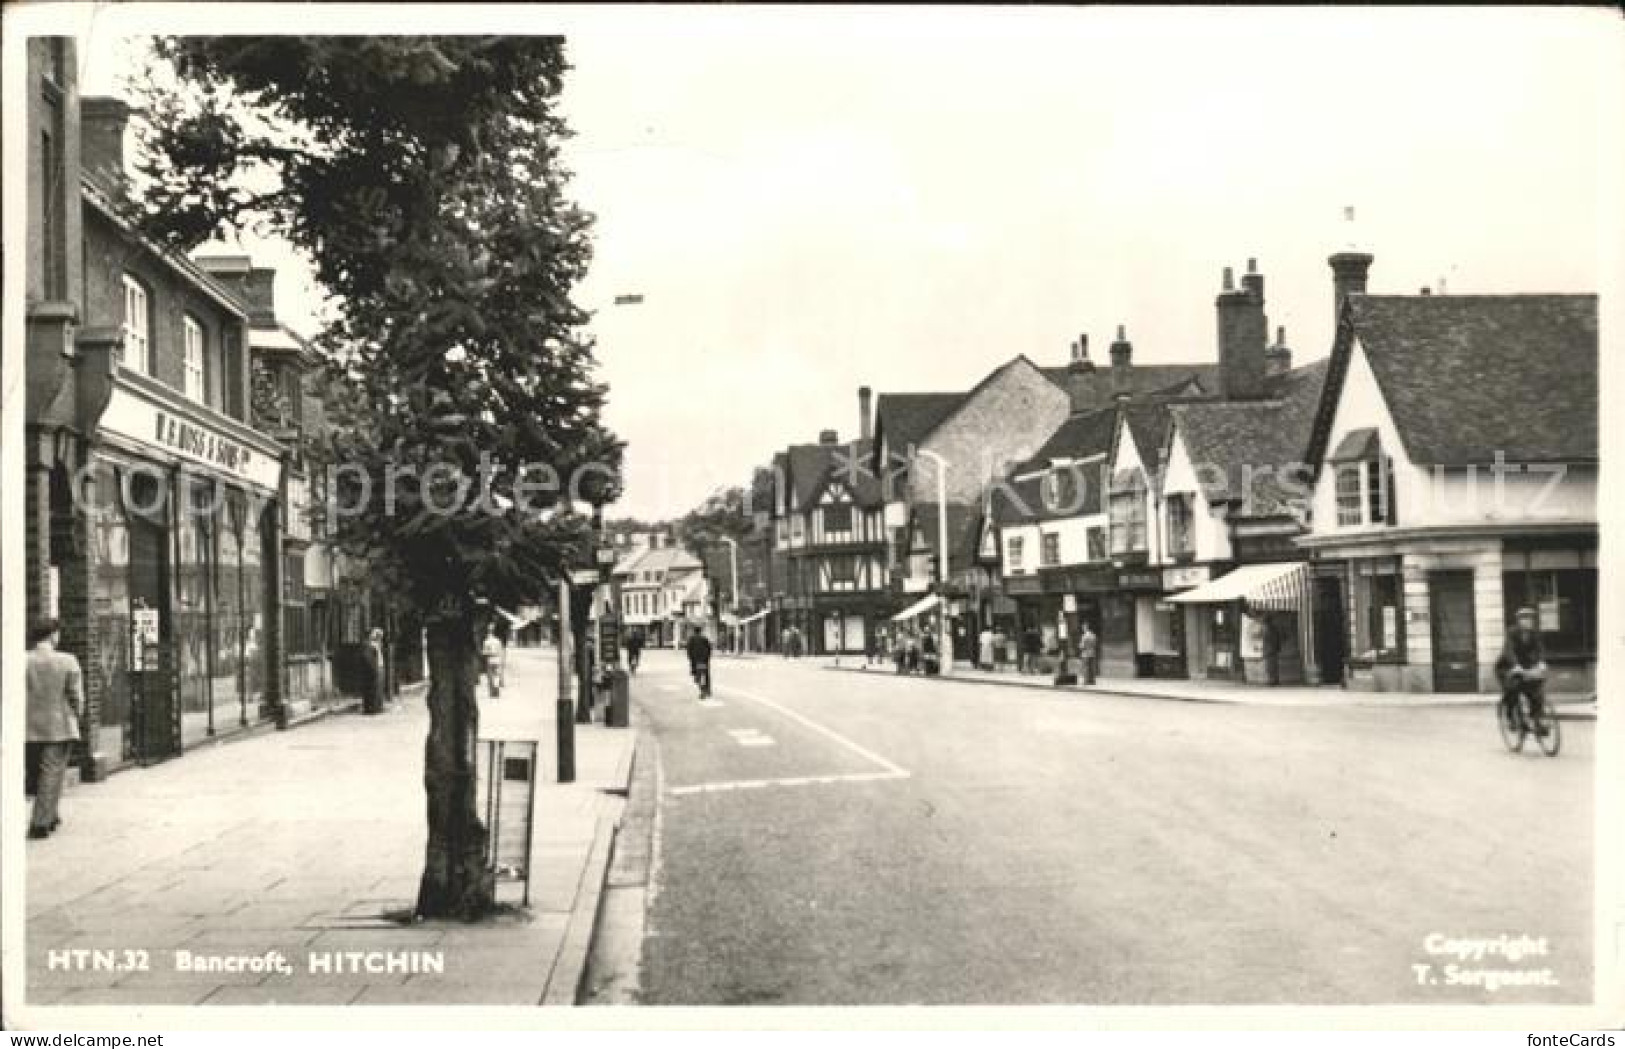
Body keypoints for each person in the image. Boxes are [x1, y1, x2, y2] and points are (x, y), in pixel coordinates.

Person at [26, 619, 84, 840]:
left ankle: (51, 814)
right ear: (52, 635)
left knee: (35, 772)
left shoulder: (21, 660)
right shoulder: (67, 660)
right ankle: (40, 823)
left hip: (26, 727)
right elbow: (76, 696)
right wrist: (77, 715)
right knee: (52, 772)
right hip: (58, 725)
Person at [1496, 607, 1548, 729]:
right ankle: (1511, 718)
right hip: (1506, 666)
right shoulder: (1512, 632)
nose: (1529, 621)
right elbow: (1509, 650)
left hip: (1526, 666)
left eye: (1531, 619)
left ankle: (1536, 719)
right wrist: (1516, 665)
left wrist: (1541, 662)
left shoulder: (1535, 633)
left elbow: (1540, 649)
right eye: (1525, 619)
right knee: (1512, 689)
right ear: (1519, 621)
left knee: (1537, 691)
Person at [363, 628, 387, 714]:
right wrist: (374, 668)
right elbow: (369, 659)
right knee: (373, 688)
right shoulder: (370, 646)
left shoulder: (377, 646)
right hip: (374, 670)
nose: (380, 639)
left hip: (379, 668)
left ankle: (377, 707)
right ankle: (372, 708)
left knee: (378, 688)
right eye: (379, 637)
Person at [686, 627, 713, 699]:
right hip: (704, 661)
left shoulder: (691, 639)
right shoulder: (704, 639)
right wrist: (707, 658)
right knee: (705, 675)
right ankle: (708, 690)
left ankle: (702, 690)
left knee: (698, 677)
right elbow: (709, 649)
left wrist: (691, 659)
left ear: (694, 631)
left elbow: (689, 651)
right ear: (700, 631)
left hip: (696, 661)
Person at [481, 626, 505, 698]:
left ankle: (492, 692)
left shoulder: (486, 641)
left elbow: (484, 652)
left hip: (490, 660)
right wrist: (501, 660)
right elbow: (501, 651)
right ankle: (497, 691)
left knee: (490, 676)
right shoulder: (498, 641)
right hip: (497, 660)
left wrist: (485, 653)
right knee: (496, 675)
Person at [1079, 621, 1099, 686]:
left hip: (1085, 654)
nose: (1083, 629)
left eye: (1083, 627)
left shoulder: (1084, 636)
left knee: (1086, 667)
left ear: (1085, 628)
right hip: (1092, 653)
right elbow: (1095, 644)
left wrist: (1080, 646)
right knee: (1092, 667)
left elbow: (1082, 646)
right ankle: (1092, 681)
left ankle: (1086, 681)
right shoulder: (1093, 635)